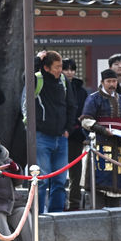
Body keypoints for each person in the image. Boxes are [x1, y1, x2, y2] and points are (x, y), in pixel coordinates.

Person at [79, 69, 121, 208]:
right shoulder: (94, 98)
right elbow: (86, 120)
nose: (112, 84)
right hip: (99, 145)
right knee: (98, 184)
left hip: (119, 145)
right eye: (109, 81)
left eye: (114, 81)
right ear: (102, 82)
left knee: (118, 185)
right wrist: (104, 130)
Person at [32, 50, 77, 213]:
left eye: (61, 66)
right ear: (46, 67)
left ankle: (57, 213)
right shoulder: (38, 79)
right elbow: (25, 78)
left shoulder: (63, 81)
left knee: (60, 180)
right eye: (57, 67)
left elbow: (72, 105)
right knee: (41, 179)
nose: (60, 70)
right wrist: (37, 60)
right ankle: (38, 215)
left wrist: (68, 129)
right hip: (42, 136)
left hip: (61, 136)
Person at [62, 58, 88, 211]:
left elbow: (84, 112)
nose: (69, 72)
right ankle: (58, 203)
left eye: (72, 69)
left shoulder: (81, 90)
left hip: (76, 135)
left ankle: (74, 203)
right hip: (58, 133)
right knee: (56, 172)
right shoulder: (56, 86)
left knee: (75, 173)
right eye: (66, 69)